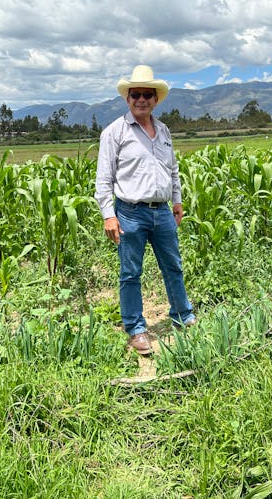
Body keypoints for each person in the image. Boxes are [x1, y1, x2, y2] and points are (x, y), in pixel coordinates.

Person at [95, 65, 195, 355]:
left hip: (162, 211)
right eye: (135, 94)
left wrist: (176, 201)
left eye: (147, 95)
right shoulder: (114, 132)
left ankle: (182, 316)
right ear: (127, 98)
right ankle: (136, 330)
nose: (141, 99)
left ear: (155, 99)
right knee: (130, 272)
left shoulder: (163, 130)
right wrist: (108, 215)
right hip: (129, 212)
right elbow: (104, 179)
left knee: (173, 266)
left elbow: (172, 169)